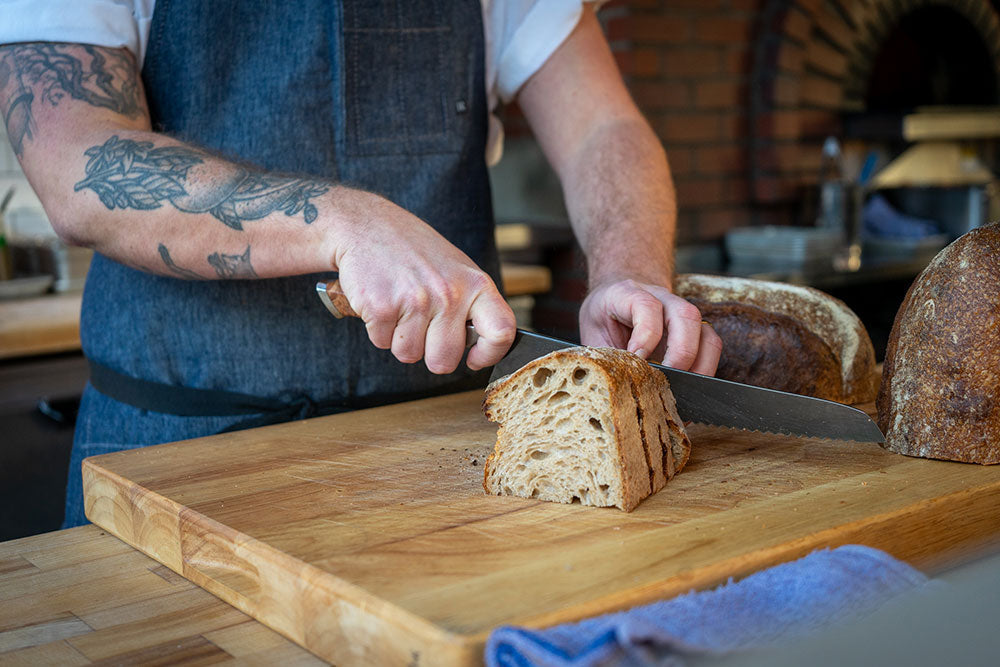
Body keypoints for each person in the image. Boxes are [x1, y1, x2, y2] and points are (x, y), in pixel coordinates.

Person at [0, 1, 722, 528]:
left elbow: (605, 126)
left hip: (439, 456)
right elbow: (75, 164)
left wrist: (630, 269)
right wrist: (346, 222)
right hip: (166, 457)